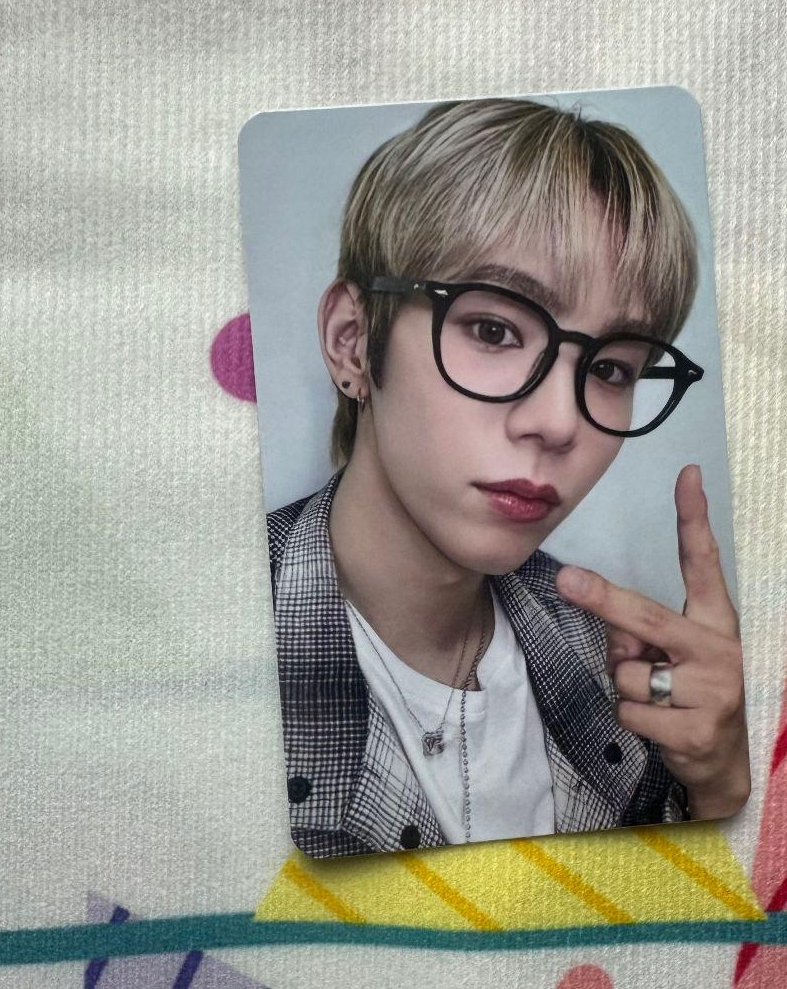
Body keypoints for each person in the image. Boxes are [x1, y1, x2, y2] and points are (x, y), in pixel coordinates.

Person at [265, 96, 750, 859]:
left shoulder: (622, 667)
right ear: (353, 341)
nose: (559, 422)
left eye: (611, 369)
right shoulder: (219, 639)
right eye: (494, 330)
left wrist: (718, 791)